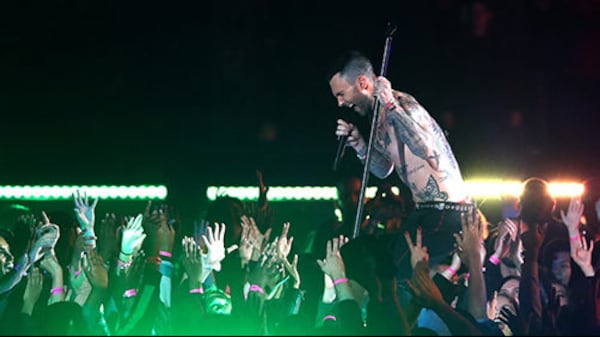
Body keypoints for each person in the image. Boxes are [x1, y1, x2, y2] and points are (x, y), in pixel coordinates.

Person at [327, 50, 474, 297]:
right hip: (427, 211)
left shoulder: (402, 104)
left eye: (341, 94)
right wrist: (359, 144)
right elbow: (384, 170)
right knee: (385, 266)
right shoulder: (378, 118)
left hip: (448, 210)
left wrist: (391, 106)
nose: (340, 103)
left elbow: (424, 148)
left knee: (396, 275)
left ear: (362, 83)